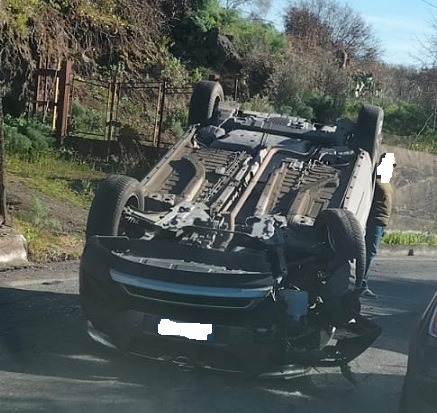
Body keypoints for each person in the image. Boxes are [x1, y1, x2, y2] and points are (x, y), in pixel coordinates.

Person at [360, 153, 396, 298]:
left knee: (370, 252)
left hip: (381, 222)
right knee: (369, 252)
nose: (392, 169)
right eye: (390, 165)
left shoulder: (385, 181)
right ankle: (361, 284)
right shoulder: (376, 181)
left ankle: (361, 283)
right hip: (374, 221)